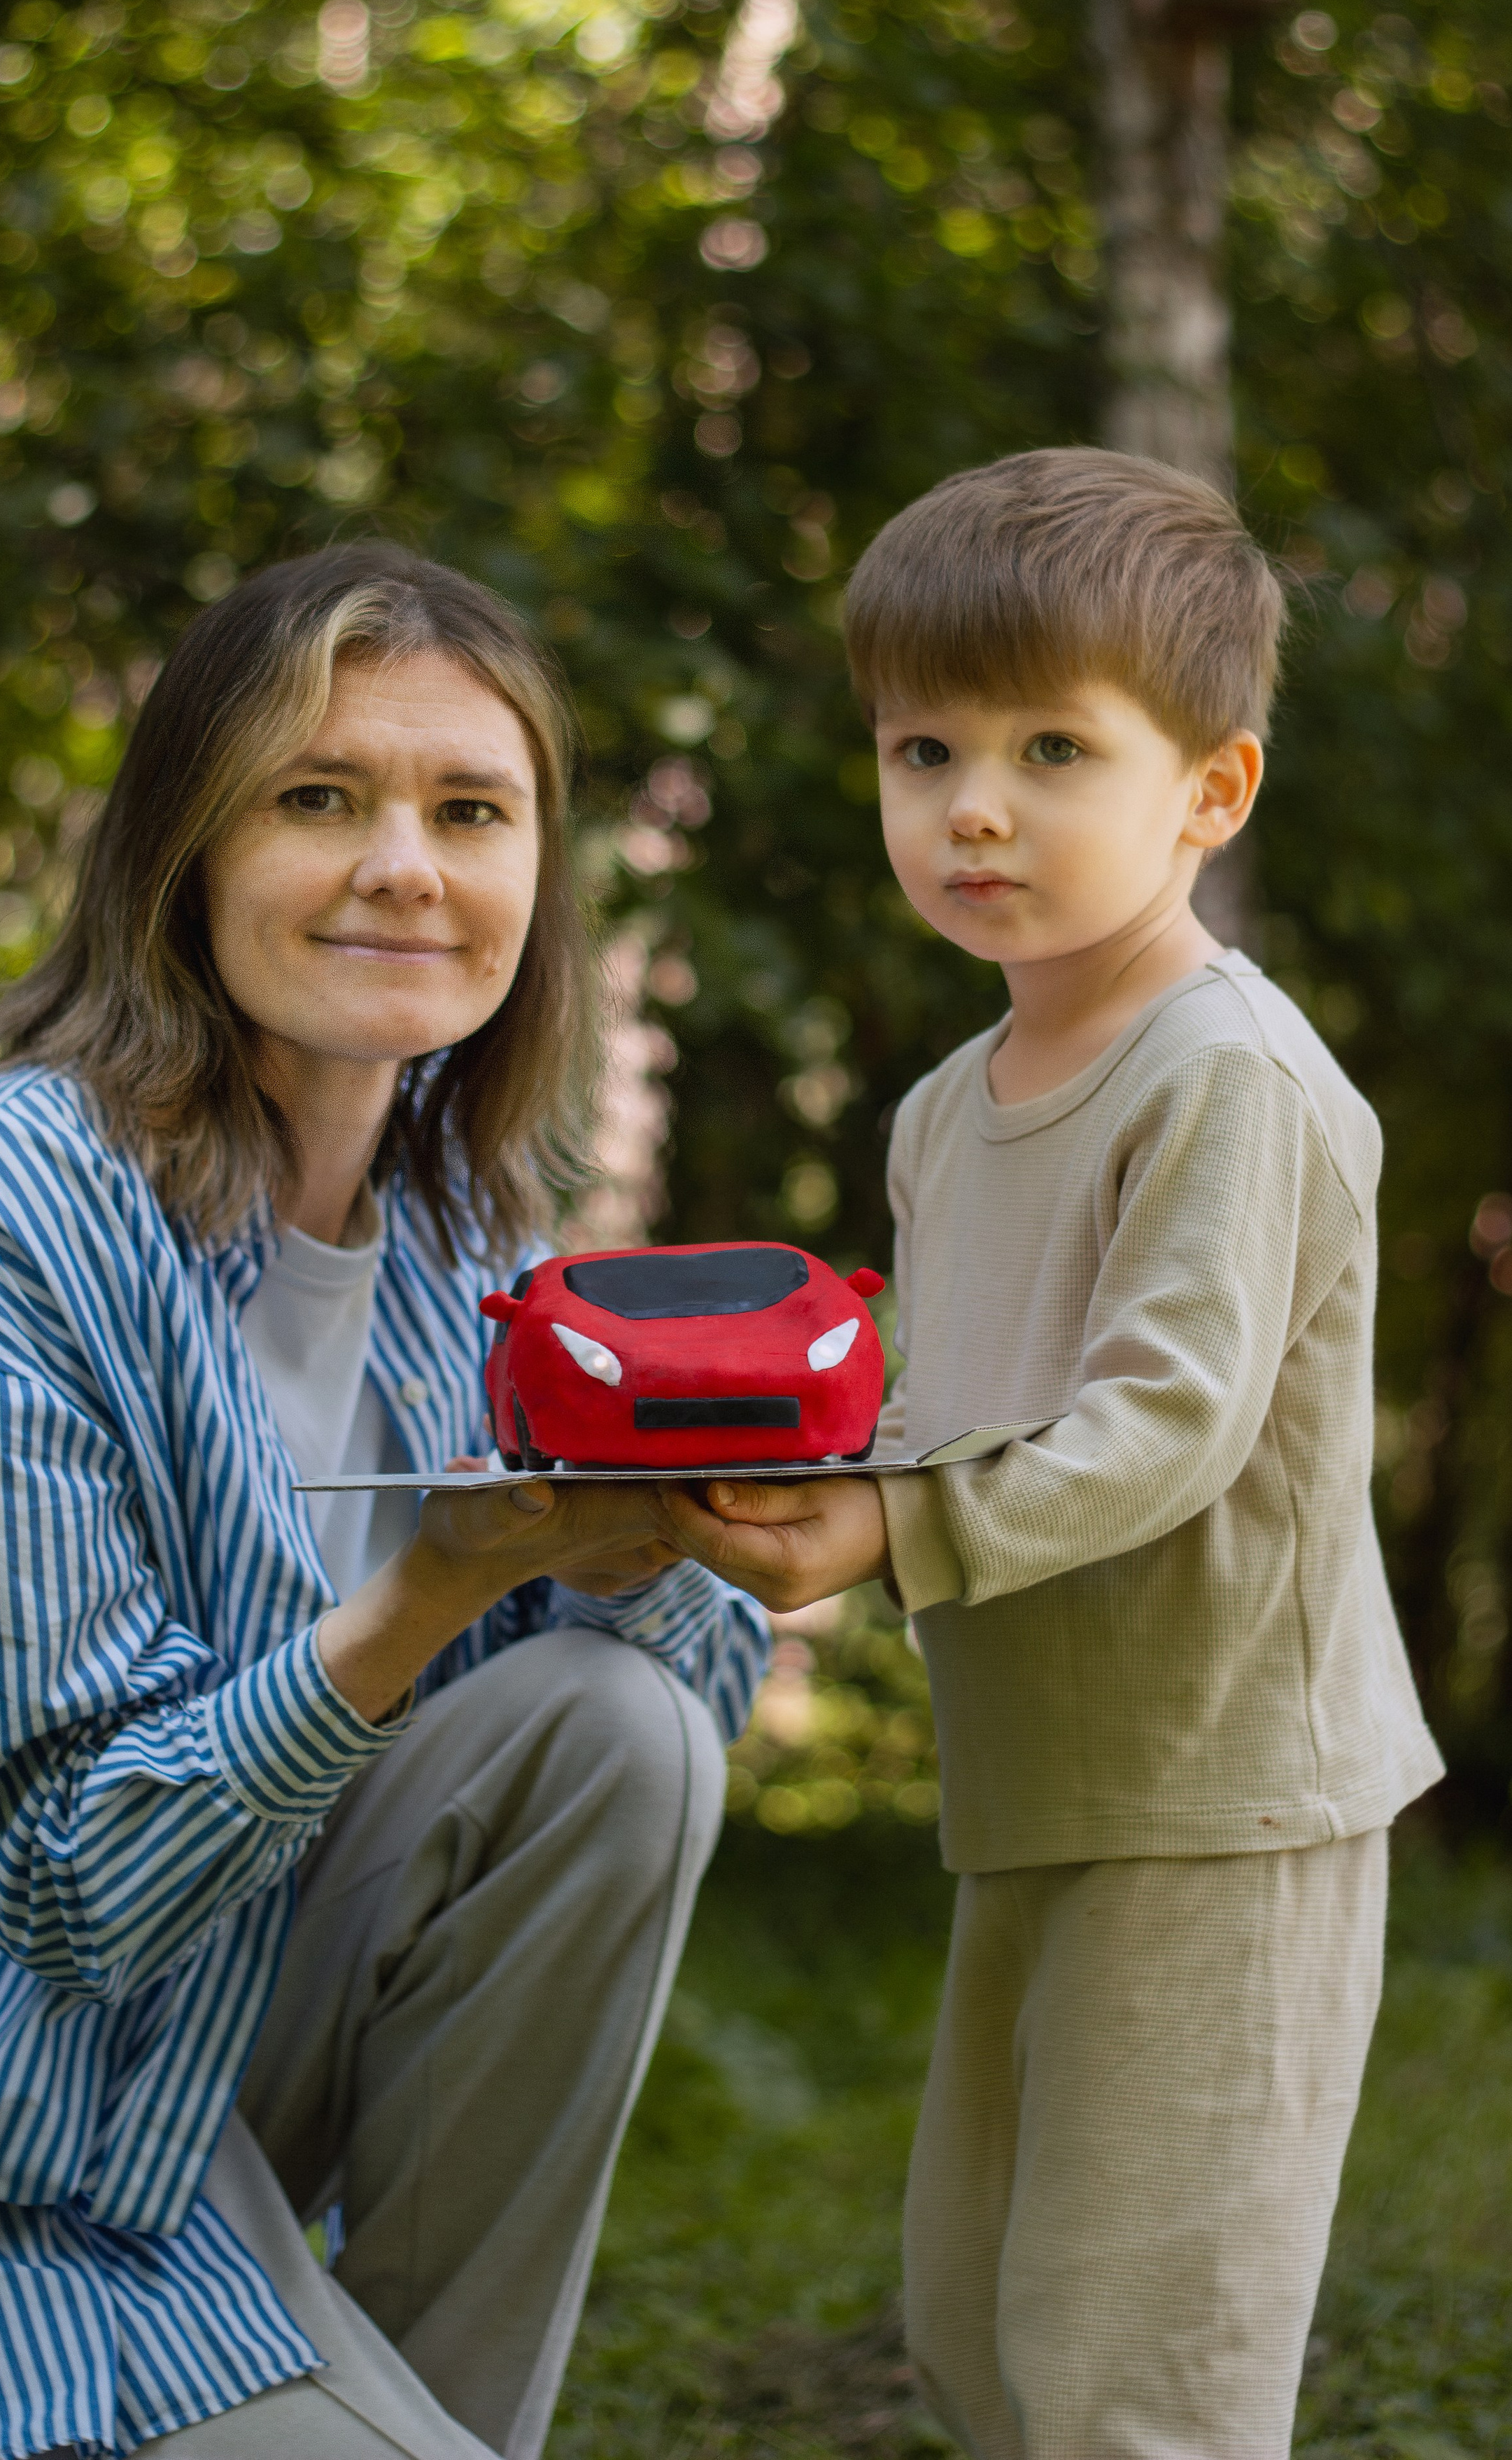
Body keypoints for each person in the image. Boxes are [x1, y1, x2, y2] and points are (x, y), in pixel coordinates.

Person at [0, 544, 770, 2460]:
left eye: (471, 810)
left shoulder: (472, 1253)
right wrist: (411, 1606)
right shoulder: (4, 1211)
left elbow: (647, 1750)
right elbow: (68, 1878)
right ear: (181, 852)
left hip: (179, 2124)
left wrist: (684, 1534)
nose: (405, 864)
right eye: (320, 797)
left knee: (612, 1725)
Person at [667, 449, 1443, 2460]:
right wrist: (776, 1468)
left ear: (1210, 790)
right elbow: (951, 1398)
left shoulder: (1229, 1080)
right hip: (1040, 1786)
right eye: (923, 747)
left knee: (1138, 2376)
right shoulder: (948, 1105)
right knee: (980, 2322)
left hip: (1228, 1801)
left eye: (1050, 748)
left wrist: (890, 1524)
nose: (973, 803)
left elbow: (1165, 1425)